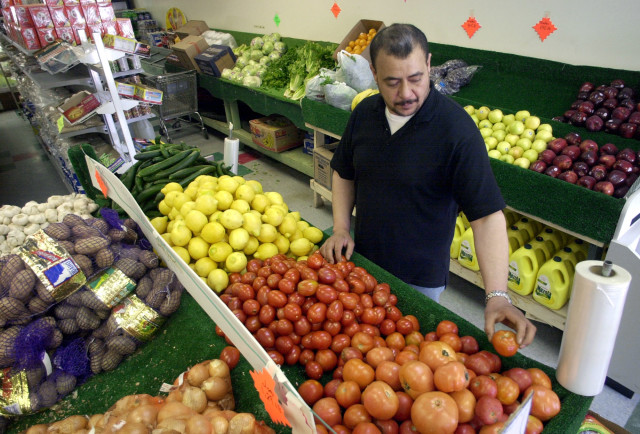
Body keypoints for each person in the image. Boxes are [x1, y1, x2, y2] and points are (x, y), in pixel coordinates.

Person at [319, 23, 537, 348]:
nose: (406, 93)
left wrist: (497, 295)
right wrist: (340, 227)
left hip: (420, 279)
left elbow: (487, 217)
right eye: (392, 82)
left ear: (429, 65)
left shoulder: (456, 131)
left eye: (416, 78)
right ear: (374, 75)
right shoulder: (364, 114)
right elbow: (343, 171)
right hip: (362, 263)